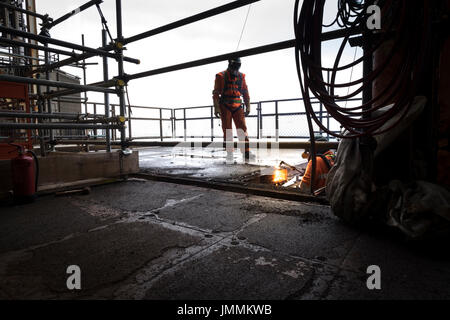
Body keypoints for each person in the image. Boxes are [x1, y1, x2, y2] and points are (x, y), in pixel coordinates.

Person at [212, 57, 255, 161]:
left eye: (237, 65)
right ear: (230, 64)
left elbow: (245, 92)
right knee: (227, 130)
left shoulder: (241, 77)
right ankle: (229, 153)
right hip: (225, 106)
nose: (236, 68)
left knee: (242, 129)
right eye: (234, 65)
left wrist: (248, 106)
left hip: (237, 106)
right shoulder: (220, 76)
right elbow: (216, 93)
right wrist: (216, 108)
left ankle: (246, 151)